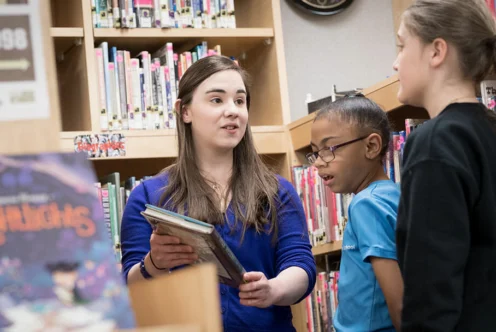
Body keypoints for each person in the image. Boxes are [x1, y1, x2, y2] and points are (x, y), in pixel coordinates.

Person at [120, 55, 316, 331]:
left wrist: (273, 289)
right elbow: (129, 286)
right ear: (184, 111)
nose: (232, 110)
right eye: (216, 100)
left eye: (240, 100)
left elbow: (301, 267)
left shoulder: (277, 191)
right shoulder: (148, 195)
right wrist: (153, 264)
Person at [393, 0, 496, 330]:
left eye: (401, 45)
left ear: (436, 51)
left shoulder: (436, 142)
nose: (395, 63)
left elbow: (431, 289)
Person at [308, 96, 403, 331]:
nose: (318, 163)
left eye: (329, 149)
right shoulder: (394, 194)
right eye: (315, 153)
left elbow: (398, 300)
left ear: (371, 146)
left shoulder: (366, 204)